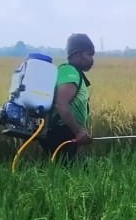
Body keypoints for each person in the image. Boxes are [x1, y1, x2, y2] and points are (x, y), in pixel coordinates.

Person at [38, 33, 96, 161]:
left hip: (66, 133)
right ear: (76, 54)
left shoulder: (74, 73)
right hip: (61, 133)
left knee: (68, 172)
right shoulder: (69, 72)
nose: (92, 59)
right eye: (89, 54)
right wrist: (79, 131)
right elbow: (61, 104)